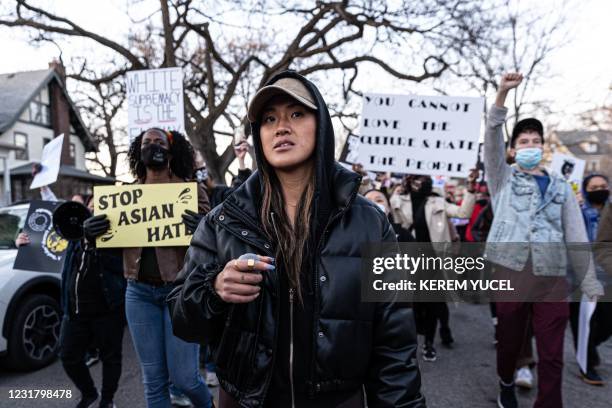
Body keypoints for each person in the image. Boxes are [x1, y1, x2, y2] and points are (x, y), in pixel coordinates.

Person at [168, 71, 425, 407]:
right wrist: (214, 289)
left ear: (322, 126)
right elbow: (181, 318)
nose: (281, 127)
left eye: (297, 114)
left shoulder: (370, 223)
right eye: (269, 119)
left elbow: (395, 344)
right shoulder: (223, 221)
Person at [484, 73, 603, 408]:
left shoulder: (561, 187)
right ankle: (506, 382)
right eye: (524, 142)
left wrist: (588, 278)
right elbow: (492, 137)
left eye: (536, 140)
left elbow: (576, 234)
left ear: (543, 147)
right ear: (513, 150)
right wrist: (502, 94)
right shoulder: (502, 179)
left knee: (552, 351)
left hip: (552, 276)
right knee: (509, 339)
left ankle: (549, 403)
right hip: (511, 271)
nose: (531, 146)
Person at [85, 128, 213, 408]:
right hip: (139, 294)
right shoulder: (124, 197)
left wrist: (203, 228)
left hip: (179, 293)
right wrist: (91, 233)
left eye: (159, 142)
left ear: (171, 150)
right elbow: (108, 243)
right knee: (153, 380)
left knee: (185, 379)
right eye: (146, 143)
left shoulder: (190, 190)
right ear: (137, 152)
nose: (152, 146)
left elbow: (213, 241)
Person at [390, 171, 477, 360]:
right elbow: (375, 205)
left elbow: (463, 213)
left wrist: (470, 189)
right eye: (418, 178)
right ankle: (409, 341)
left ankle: (429, 343)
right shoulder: (397, 200)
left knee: (433, 304)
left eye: (426, 179)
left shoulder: (437, 201)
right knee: (410, 304)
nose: (423, 182)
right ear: (409, 180)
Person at [569, 174, 612, 385]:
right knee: (583, 320)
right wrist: (572, 207)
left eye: (603, 186)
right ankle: (586, 364)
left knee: (607, 321)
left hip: (607, 273)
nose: (600, 189)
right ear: (586, 189)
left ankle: (590, 346)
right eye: (594, 186)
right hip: (580, 273)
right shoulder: (576, 210)